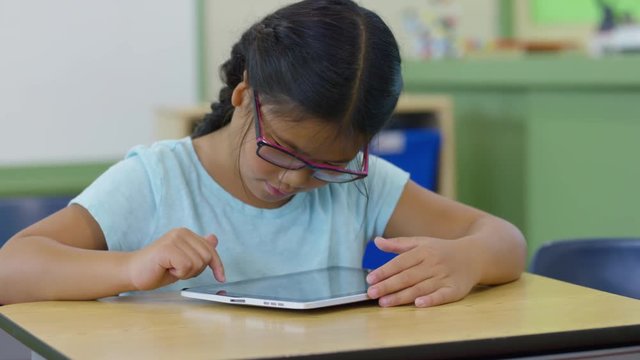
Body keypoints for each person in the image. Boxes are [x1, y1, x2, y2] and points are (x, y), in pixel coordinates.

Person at [0, 0, 526, 307]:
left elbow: (504, 238)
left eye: (331, 166)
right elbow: (13, 267)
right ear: (246, 96)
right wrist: (129, 268)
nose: (297, 179)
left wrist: (468, 258)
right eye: (283, 151)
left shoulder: (363, 185)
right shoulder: (161, 179)